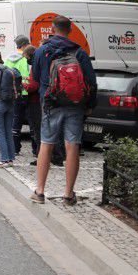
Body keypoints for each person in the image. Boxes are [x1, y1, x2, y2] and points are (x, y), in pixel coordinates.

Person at [31, 16, 97, 206]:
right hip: (75, 105)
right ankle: (68, 194)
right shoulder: (79, 52)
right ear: (70, 30)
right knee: (72, 145)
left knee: (46, 144)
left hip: (50, 104)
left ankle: (40, 191)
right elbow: (91, 82)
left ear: (52, 28)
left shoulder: (42, 50)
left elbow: (35, 78)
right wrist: (90, 105)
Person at [7, 35, 33, 156]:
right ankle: (35, 150)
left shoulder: (10, 59)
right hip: (31, 93)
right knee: (33, 122)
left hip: (16, 94)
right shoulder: (31, 56)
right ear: (25, 44)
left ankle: (15, 148)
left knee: (16, 121)